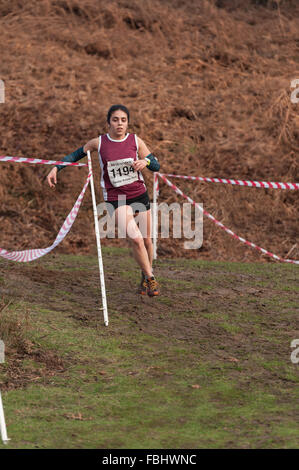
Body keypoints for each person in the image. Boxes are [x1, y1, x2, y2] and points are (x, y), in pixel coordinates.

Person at [47, 104, 160, 297]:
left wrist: (146, 162)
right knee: (135, 238)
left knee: (147, 241)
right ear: (108, 123)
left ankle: (145, 276)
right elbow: (76, 155)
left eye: (123, 120)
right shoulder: (99, 143)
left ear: (128, 123)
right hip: (116, 199)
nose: (119, 124)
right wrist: (57, 168)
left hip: (139, 195)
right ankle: (151, 278)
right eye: (115, 120)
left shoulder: (135, 141)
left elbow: (156, 165)